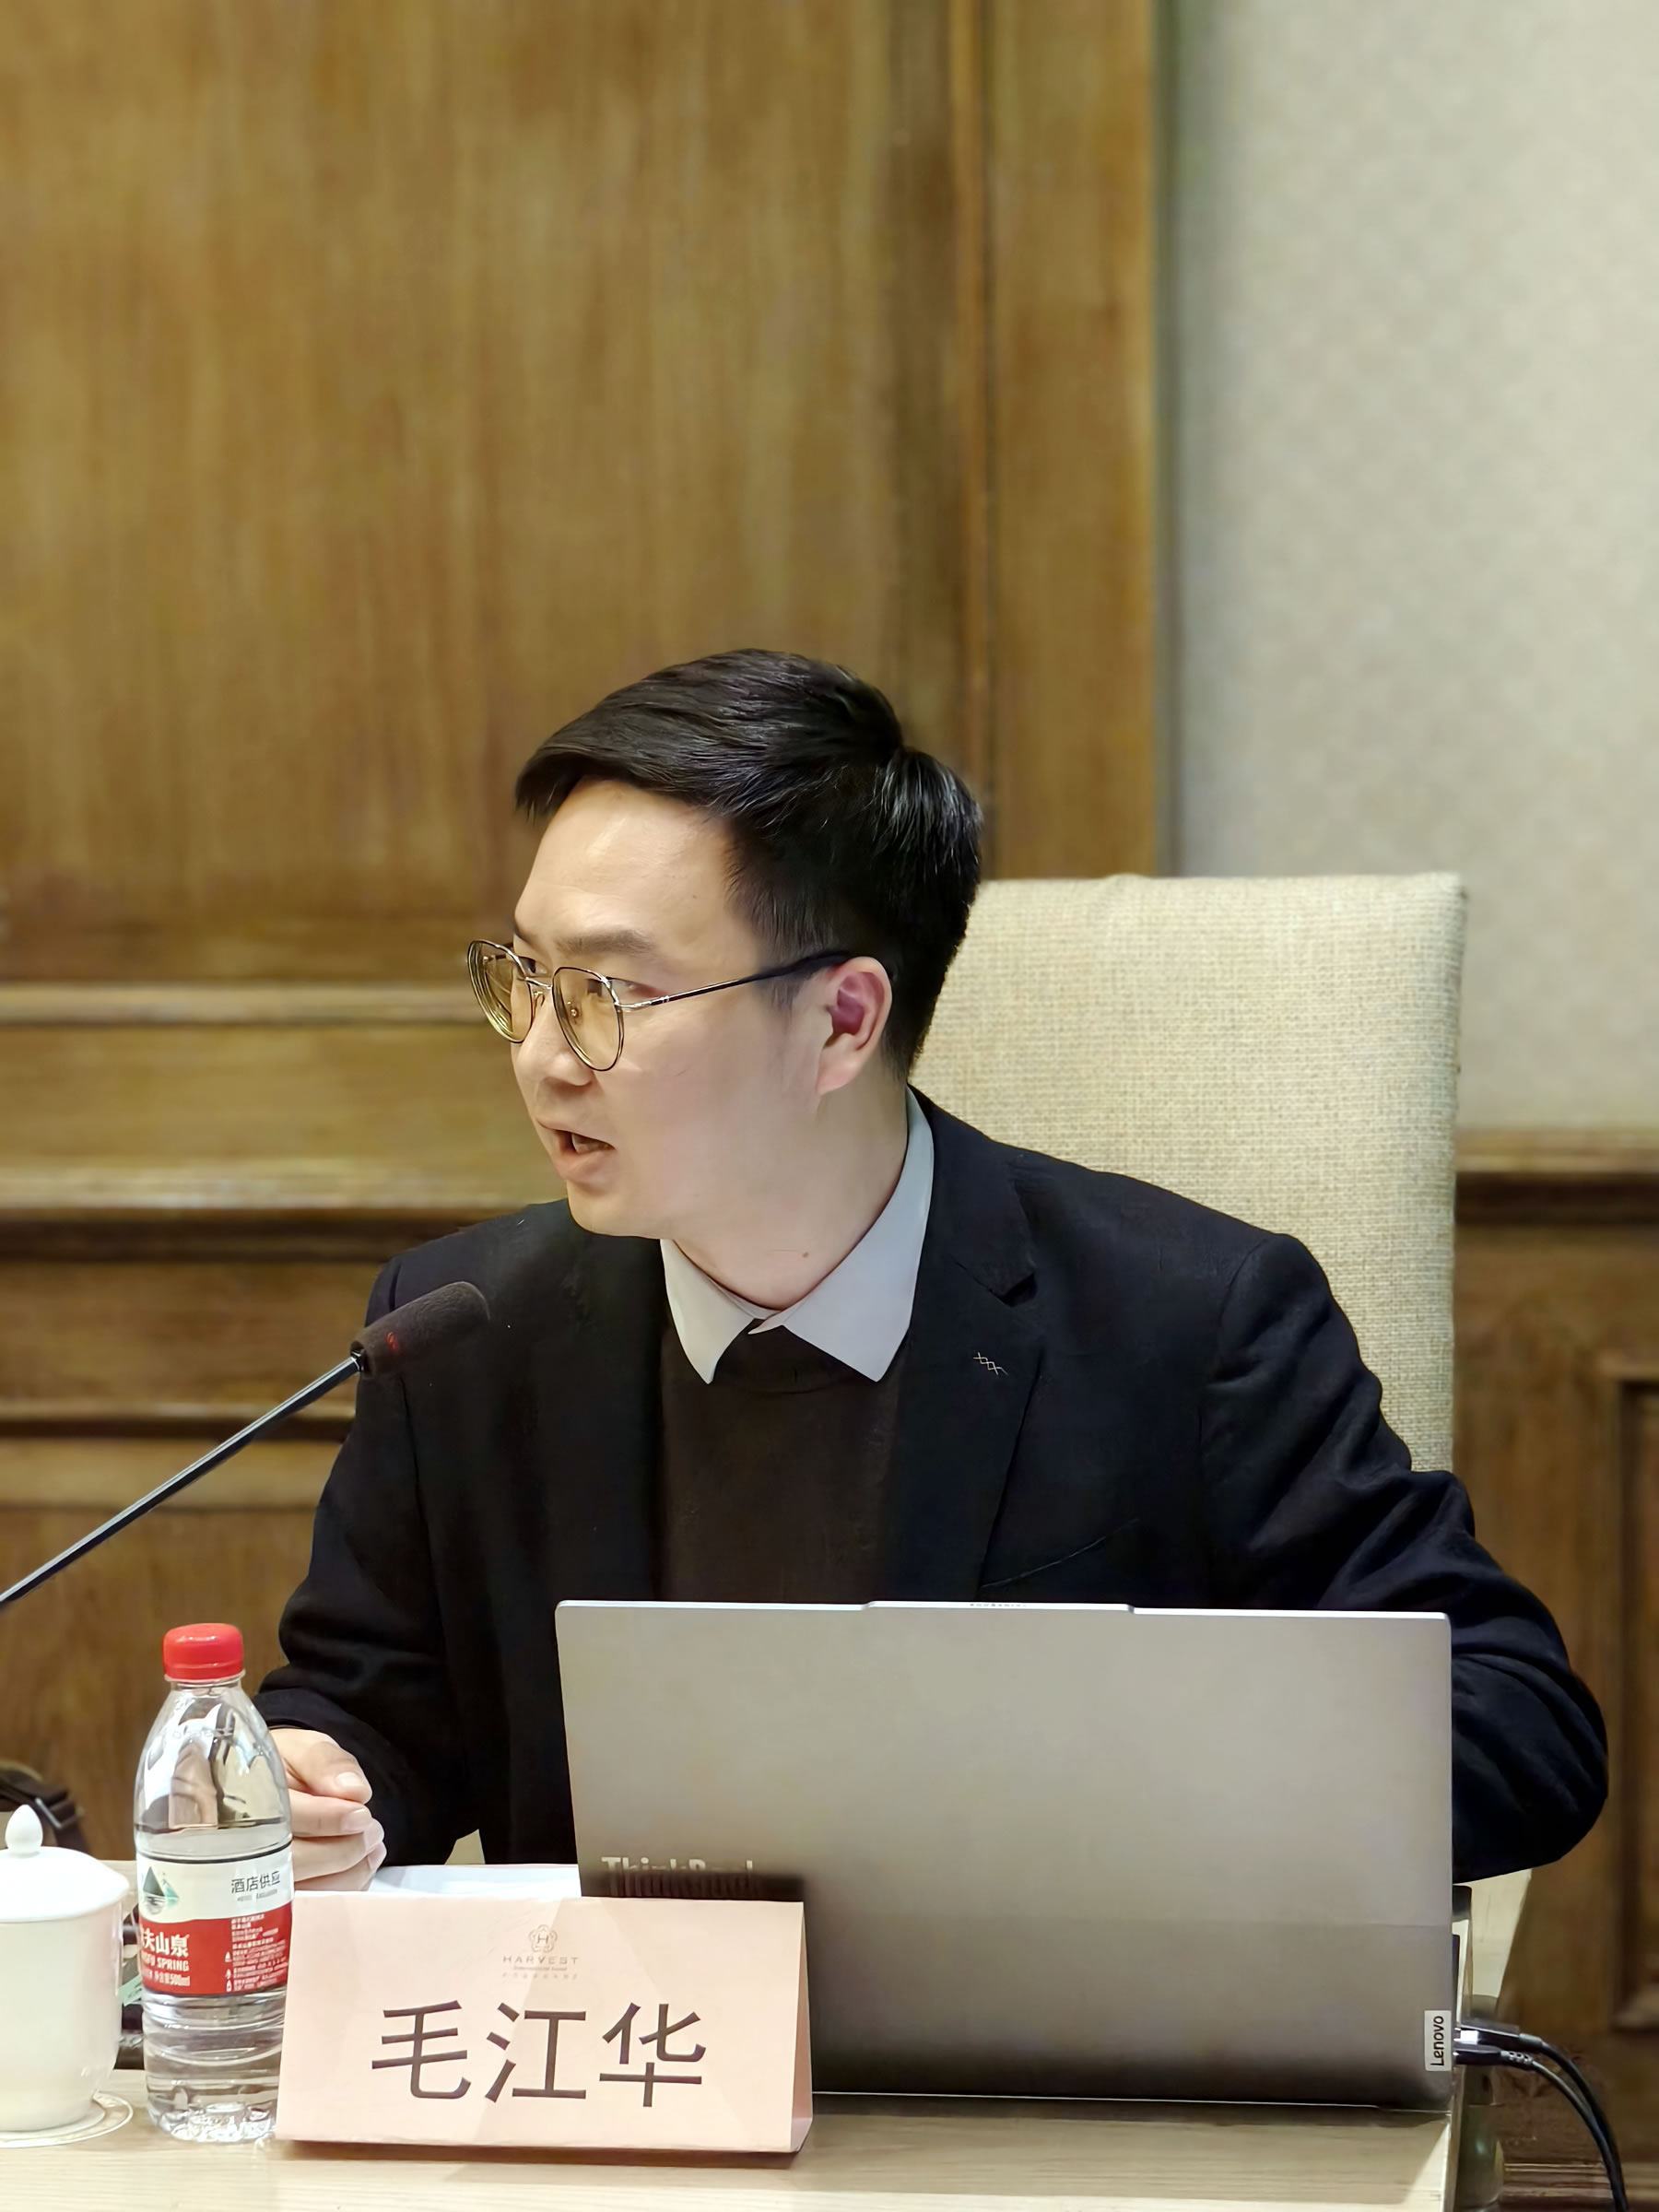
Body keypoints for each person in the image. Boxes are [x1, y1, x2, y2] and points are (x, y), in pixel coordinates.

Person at [256, 649, 1606, 1891]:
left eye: (609, 993)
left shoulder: (1188, 1325)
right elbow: (370, 1717)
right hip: (632, 2056)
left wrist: (1086, 1796)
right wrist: (321, 1788)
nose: (546, 1056)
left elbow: (1513, 1721)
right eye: (526, 977)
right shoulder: (465, 1334)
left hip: (1036, 2055)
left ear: (843, 1020)